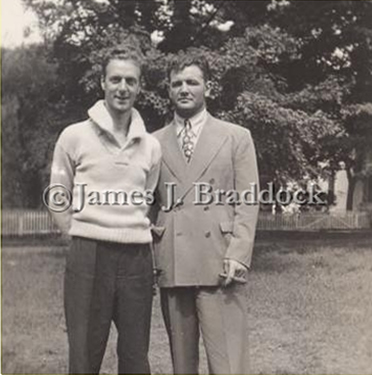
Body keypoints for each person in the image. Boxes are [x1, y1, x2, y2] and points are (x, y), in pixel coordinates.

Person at [48, 46, 161, 374]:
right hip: (89, 254)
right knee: (84, 353)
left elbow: (147, 196)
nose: (122, 87)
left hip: (138, 258)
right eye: (115, 79)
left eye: (130, 80)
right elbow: (58, 193)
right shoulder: (74, 135)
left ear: (139, 86)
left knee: (135, 355)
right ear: (102, 83)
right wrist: (76, 233)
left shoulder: (151, 145)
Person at [152, 53, 259, 374]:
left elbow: (248, 198)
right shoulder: (152, 142)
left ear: (207, 87)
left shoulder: (236, 136)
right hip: (174, 258)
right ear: (169, 91)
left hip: (220, 260)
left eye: (192, 82)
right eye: (177, 83)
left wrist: (239, 254)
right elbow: (145, 203)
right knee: (182, 363)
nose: (184, 89)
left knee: (228, 361)